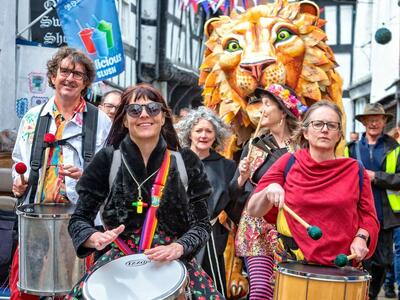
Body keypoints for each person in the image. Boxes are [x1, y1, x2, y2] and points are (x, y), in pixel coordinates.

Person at [66, 84, 223, 299]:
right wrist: (93, 237)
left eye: (153, 108)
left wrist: (179, 247)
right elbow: (79, 220)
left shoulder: (186, 161)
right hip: (118, 264)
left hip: (174, 263)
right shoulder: (106, 160)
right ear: (124, 119)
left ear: (163, 117)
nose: (144, 115)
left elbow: (202, 225)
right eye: (134, 110)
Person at [10, 47, 111, 300]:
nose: (69, 78)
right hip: (36, 217)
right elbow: (19, 161)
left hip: (81, 220)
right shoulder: (33, 117)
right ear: (53, 76)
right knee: (26, 289)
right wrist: (18, 183)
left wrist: (85, 176)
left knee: (77, 290)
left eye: (78, 74)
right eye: (64, 71)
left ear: (86, 82)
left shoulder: (101, 121)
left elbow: (111, 172)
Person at [247, 101, 379, 268]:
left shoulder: (355, 170)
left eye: (332, 125)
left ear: (339, 134)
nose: (325, 129)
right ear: (306, 132)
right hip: (294, 264)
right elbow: (253, 209)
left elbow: (369, 216)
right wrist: (268, 190)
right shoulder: (288, 162)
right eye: (318, 124)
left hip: (342, 264)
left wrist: (361, 237)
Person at [231, 84, 302, 300]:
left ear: (283, 111)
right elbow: (234, 190)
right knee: (261, 290)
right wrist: (242, 178)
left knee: (285, 291)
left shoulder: (302, 146)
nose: (262, 110)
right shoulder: (253, 145)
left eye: (267, 104)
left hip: (289, 225)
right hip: (257, 226)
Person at [175, 106, 237, 297]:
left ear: (216, 135)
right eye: (198, 130)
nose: (203, 135)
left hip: (209, 238)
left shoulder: (227, 166)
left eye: (209, 131)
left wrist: (241, 181)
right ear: (189, 133)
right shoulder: (174, 160)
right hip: (176, 234)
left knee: (208, 289)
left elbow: (235, 204)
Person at [346, 103, 400, 300]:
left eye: (378, 119)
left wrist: (376, 176)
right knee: (360, 259)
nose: (374, 122)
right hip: (356, 216)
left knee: (382, 262)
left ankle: (371, 294)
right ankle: (360, 295)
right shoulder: (350, 148)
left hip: (384, 216)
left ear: (384, 122)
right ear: (363, 122)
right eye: (370, 119)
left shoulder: (394, 148)